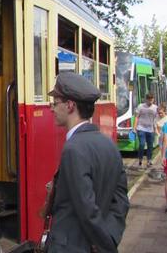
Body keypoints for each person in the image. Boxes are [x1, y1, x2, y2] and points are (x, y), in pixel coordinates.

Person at [45, 72, 128, 252]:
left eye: (55, 103)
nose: (52, 109)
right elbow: (121, 200)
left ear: (69, 106)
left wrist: (104, 245)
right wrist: (111, 236)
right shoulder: (109, 145)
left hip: (71, 246)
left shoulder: (73, 149)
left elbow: (86, 208)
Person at [134, 94, 158, 168]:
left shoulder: (155, 108)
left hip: (150, 129)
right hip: (141, 128)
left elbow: (156, 119)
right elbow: (137, 117)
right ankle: (140, 159)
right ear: (146, 99)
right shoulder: (140, 106)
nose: (150, 101)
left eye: (151, 99)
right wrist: (134, 128)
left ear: (153, 99)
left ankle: (149, 160)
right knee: (141, 144)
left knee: (150, 145)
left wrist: (156, 129)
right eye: (149, 99)